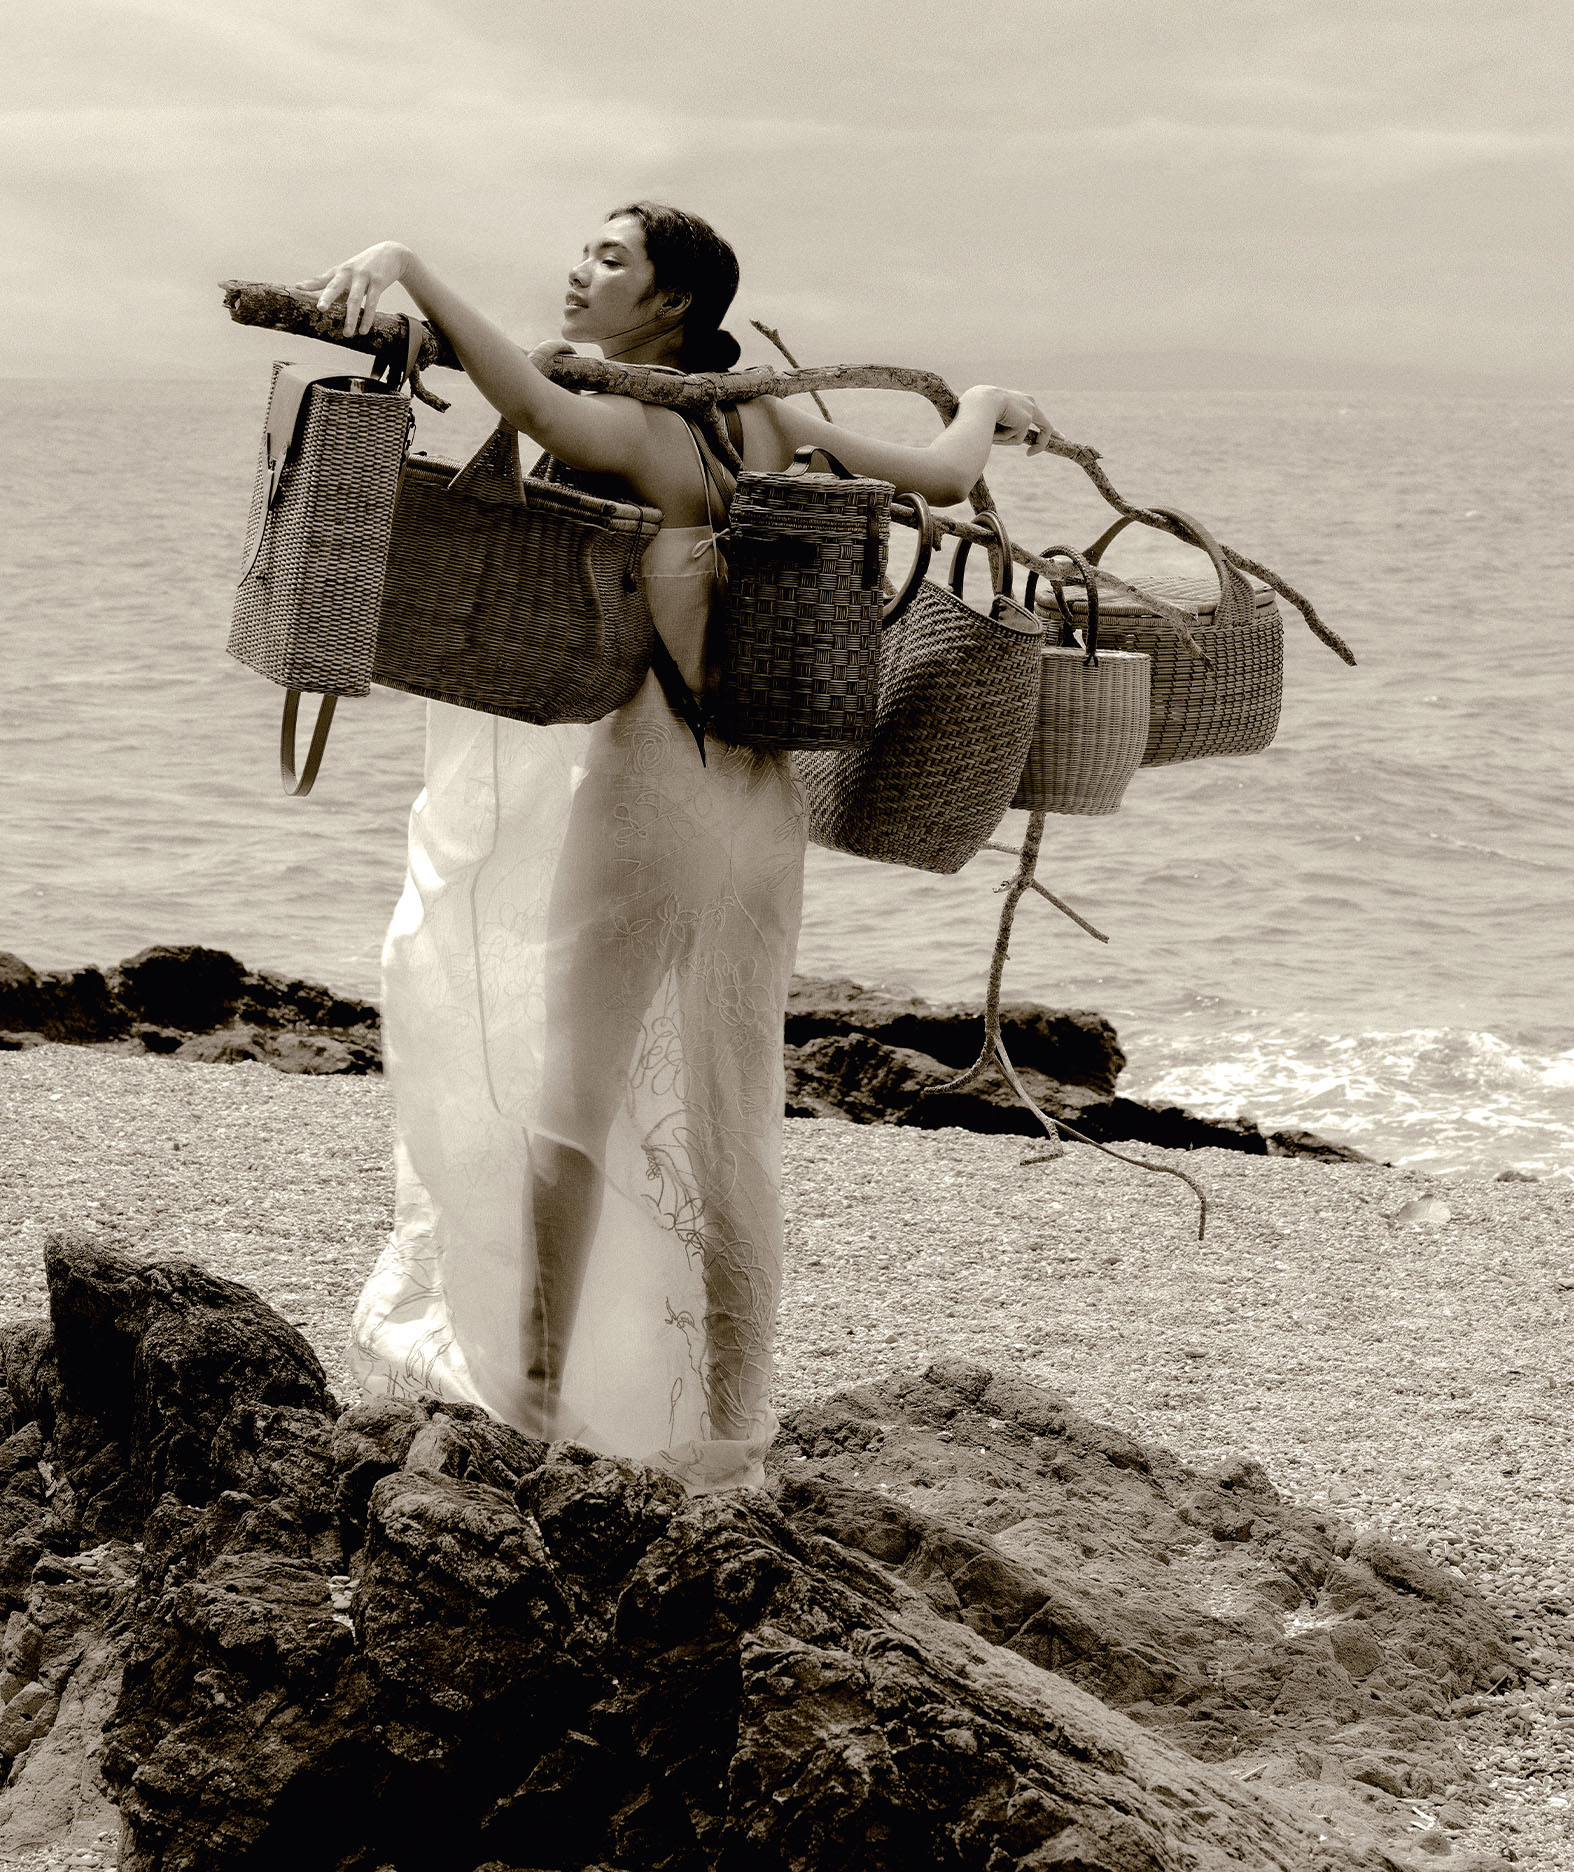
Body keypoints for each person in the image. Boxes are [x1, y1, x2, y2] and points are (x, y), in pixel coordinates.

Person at [300, 203, 1055, 1493]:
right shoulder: (767, 418)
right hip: (761, 806)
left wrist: (410, 265)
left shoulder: (649, 428)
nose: (578, 270)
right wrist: (983, 402)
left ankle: (532, 1388)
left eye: (610, 260)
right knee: (728, 1099)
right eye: (583, 250)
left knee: (574, 1089)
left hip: (655, 784)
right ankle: (728, 1404)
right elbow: (934, 476)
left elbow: (532, 407)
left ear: (670, 308)